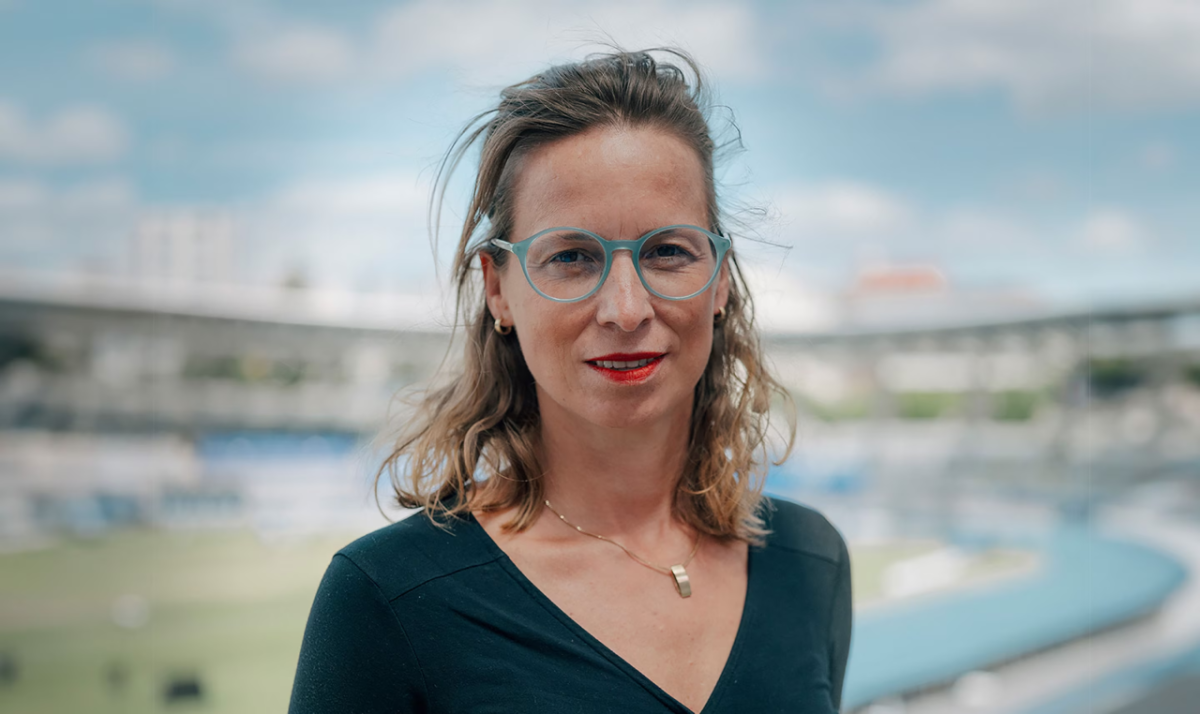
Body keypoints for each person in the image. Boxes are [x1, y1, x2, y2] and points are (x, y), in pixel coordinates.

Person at [288, 48, 852, 714]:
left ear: (720, 279)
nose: (625, 309)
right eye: (572, 257)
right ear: (498, 289)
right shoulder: (387, 598)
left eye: (668, 251)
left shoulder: (808, 562)